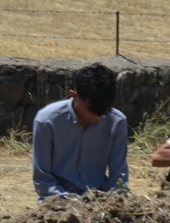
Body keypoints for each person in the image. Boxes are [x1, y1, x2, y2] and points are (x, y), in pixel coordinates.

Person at [32, 63, 128, 201]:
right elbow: (43, 180)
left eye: (103, 110)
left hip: (101, 203)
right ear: (73, 95)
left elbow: (119, 177)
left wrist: (110, 203)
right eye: (92, 109)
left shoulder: (116, 122)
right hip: (57, 205)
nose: (98, 116)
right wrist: (72, 203)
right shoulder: (46, 121)